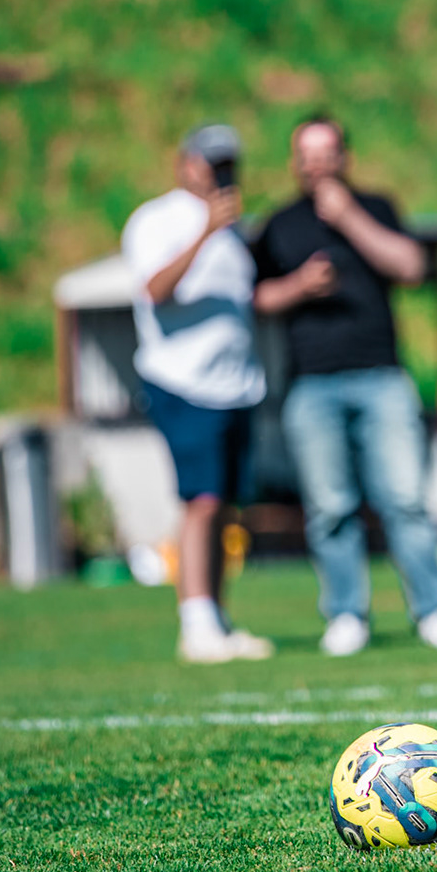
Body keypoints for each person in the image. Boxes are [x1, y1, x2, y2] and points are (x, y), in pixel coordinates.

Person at [252, 115, 437, 657]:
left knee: (405, 498)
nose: (316, 163)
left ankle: (434, 611)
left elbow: (411, 266)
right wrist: (300, 286)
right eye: (305, 153)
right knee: (330, 507)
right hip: (311, 386)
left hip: (382, 377)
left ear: (344, 157)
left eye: (325, 152)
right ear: (293, 162)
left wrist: (349, 218)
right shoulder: (278, 225)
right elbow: (255, 298)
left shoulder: (375, 207)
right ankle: (347, 615)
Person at [121, 124, 273, 664]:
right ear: (186, 163)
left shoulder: (237, 228)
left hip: (236, 385)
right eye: (212, 161)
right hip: (183, 382)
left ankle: (218, 619)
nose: (222, 171)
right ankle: (195, 622)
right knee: (200, 503)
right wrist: (206, 231)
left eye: (229, 161)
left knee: (225, 506)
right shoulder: (158, 219)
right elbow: (155, 290)